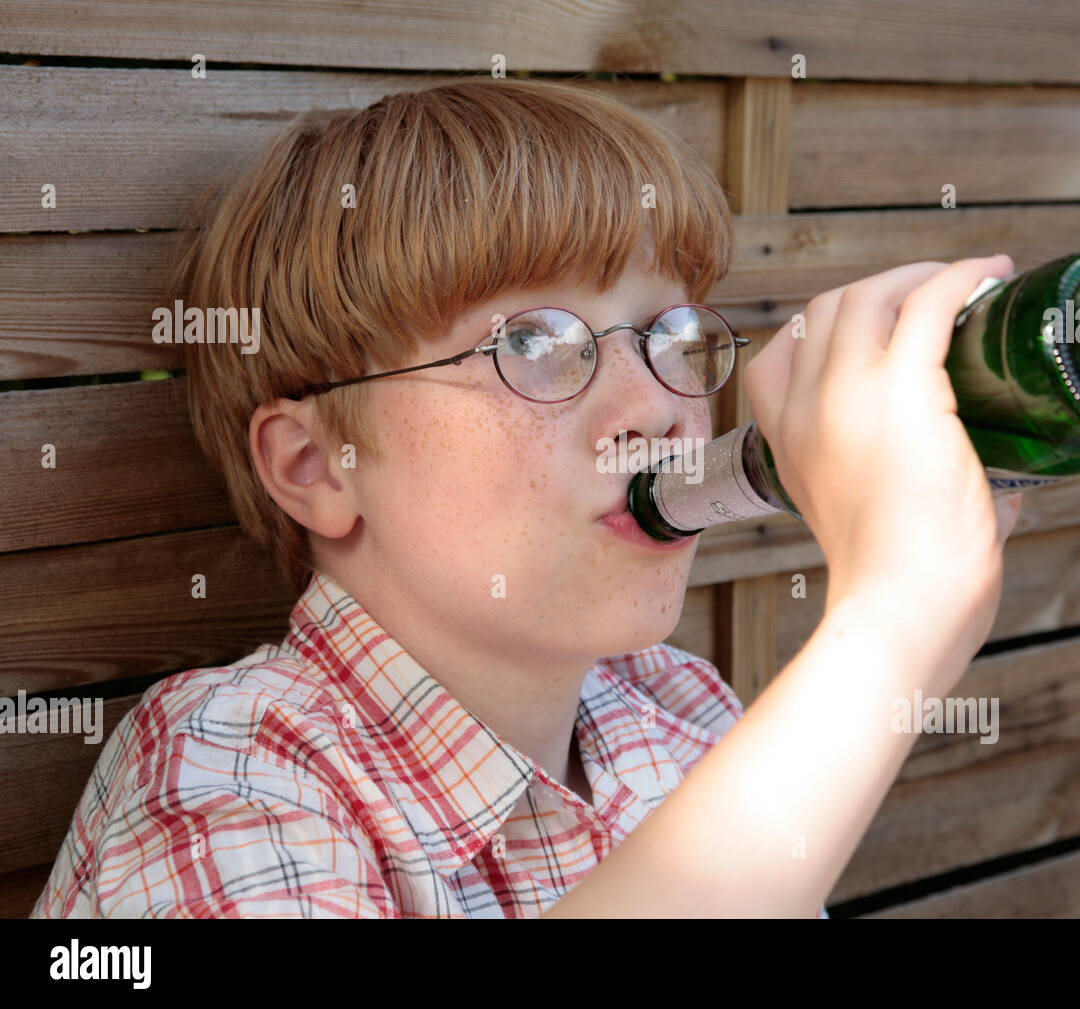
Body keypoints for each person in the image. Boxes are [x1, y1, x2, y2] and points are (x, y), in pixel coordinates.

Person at [32, 76, 1020, 918]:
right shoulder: (222, 771)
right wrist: (897, 616)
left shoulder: (678, 710)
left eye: (672, 336)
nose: (662, 408)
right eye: (535, 345)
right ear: (316, 465)